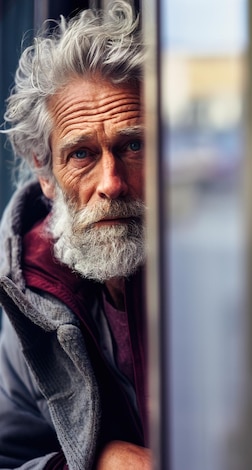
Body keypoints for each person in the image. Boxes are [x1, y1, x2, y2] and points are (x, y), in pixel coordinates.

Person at [0, 2, 151, 468]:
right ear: (46, 175)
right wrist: (96, 462)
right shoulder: (33, 294)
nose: (110, 183)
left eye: (133, 145)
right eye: (81, 154)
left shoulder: (218, 276)